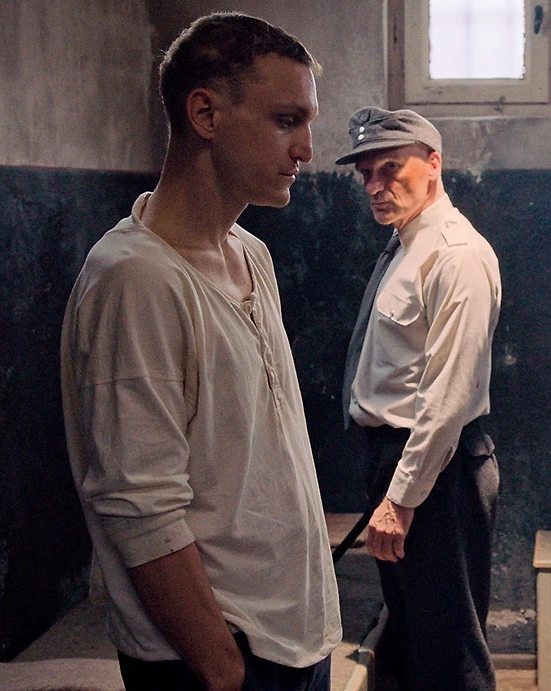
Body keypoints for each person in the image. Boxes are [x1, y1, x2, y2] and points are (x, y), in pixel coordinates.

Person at [61, 13, 339, 691]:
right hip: (217, 656)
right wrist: (223, 668)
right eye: (286, 120)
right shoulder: (136, 278)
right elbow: (139, 505)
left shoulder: (251, 253)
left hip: (293, 639)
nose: (306, 149)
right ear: (206, 114)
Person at [336, 106, 502, 690]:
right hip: (400, 459)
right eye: (366, 173)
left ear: (434, 164)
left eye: (390, 168)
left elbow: (447, 398)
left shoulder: (456, 254)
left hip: (436, 471)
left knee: (450, 653)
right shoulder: (407, 246)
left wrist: (402, 500)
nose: (374, 186)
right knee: (411, 641)